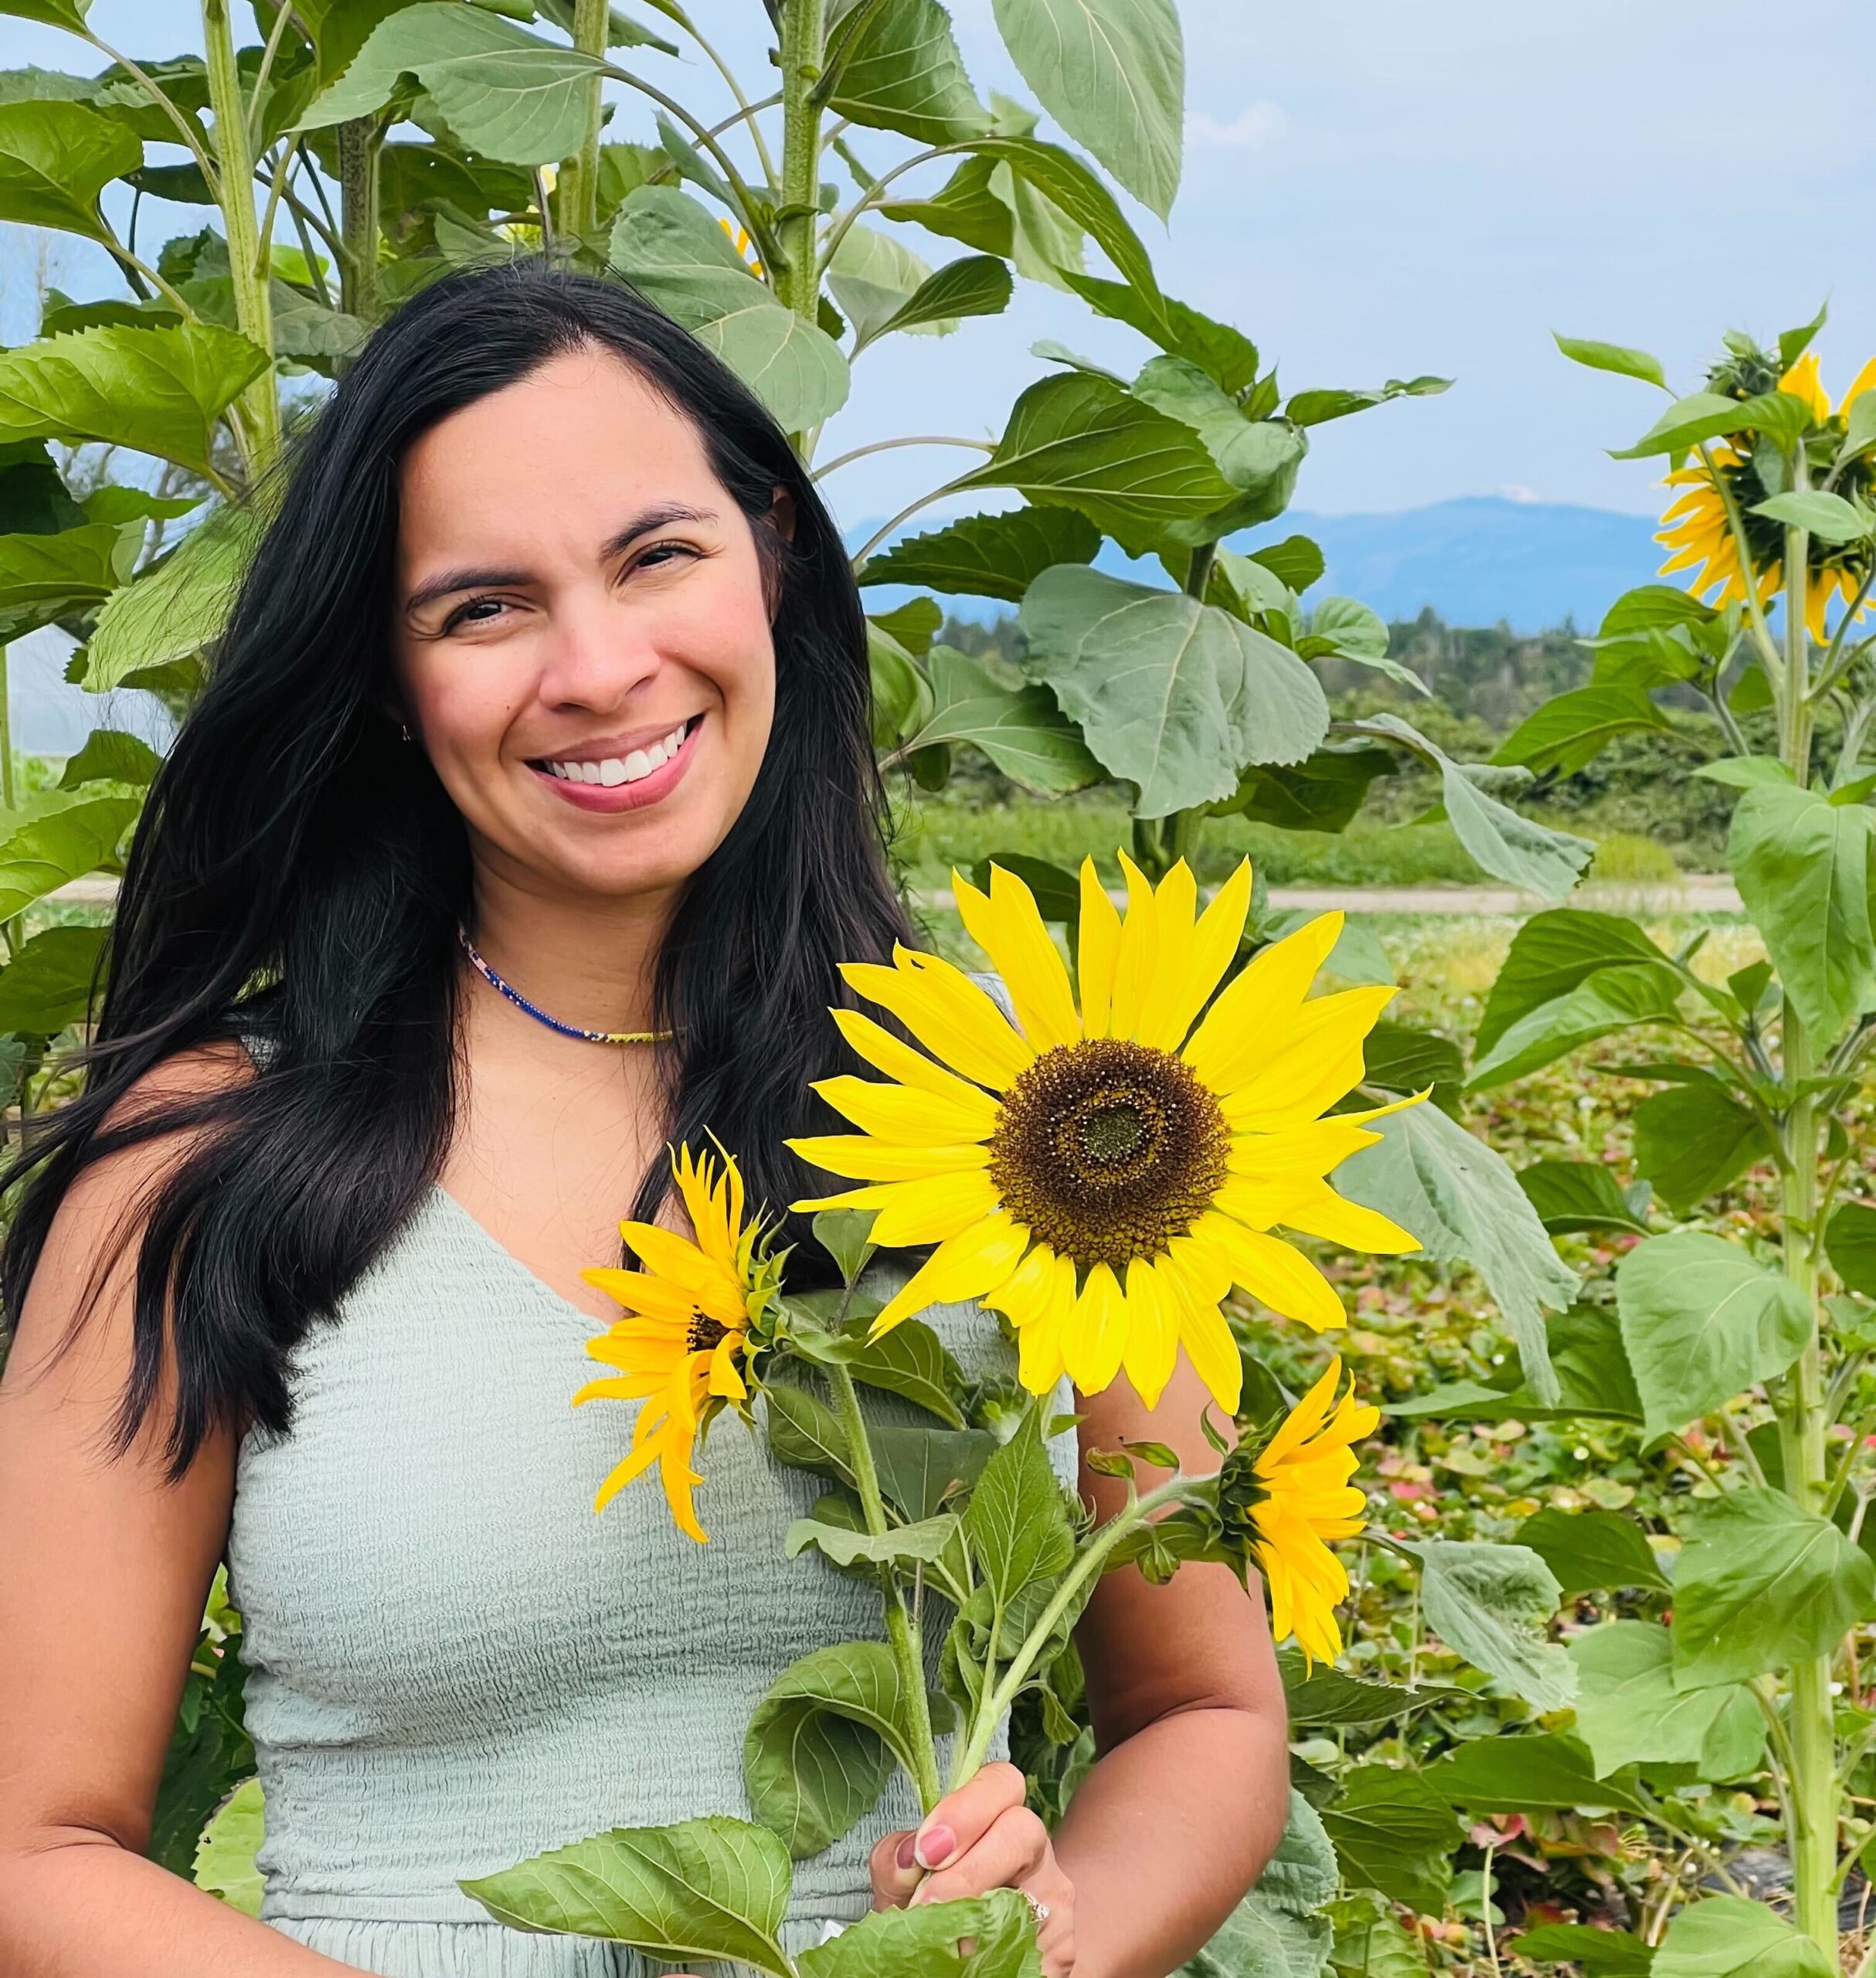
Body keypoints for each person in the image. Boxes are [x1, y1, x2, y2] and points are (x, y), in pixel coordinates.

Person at [0, 261, 1289, 1978]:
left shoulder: (1039, 1111)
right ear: (385, 676)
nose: (600, 667)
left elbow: (1206, 1707)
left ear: (772, 556)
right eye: (483, 608)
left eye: (657, 556)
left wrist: (1048, 1931)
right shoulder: (209, 1156)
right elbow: (28, 1847)